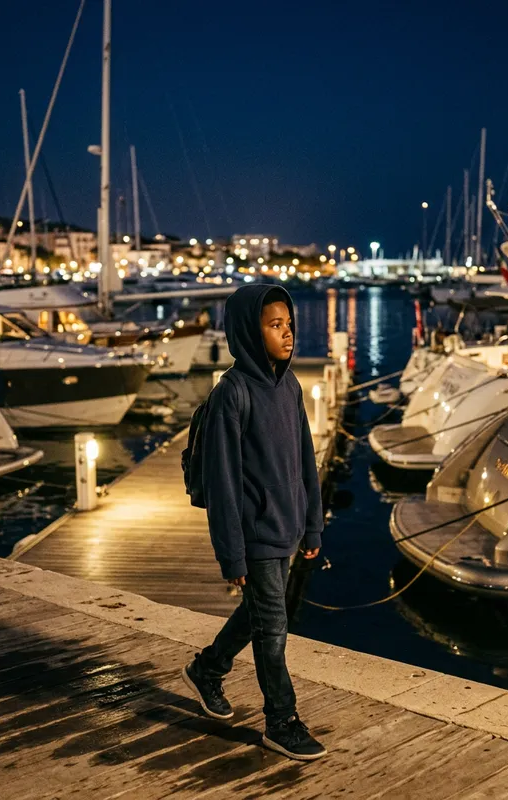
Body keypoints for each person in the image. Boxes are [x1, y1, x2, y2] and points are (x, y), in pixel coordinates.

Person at [182, 284, 327, 761]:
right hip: (255, 531)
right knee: (273, 627)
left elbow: (305, 459)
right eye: (274, 326)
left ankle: (208, 669)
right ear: (249, 330)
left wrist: (313, 524)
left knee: (261, 613)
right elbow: (222, 481)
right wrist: (232, 553)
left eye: (288, 325)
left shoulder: (290, 386)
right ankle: (280, 720)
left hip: (287, 526)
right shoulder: (232, 395)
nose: (287, 334)